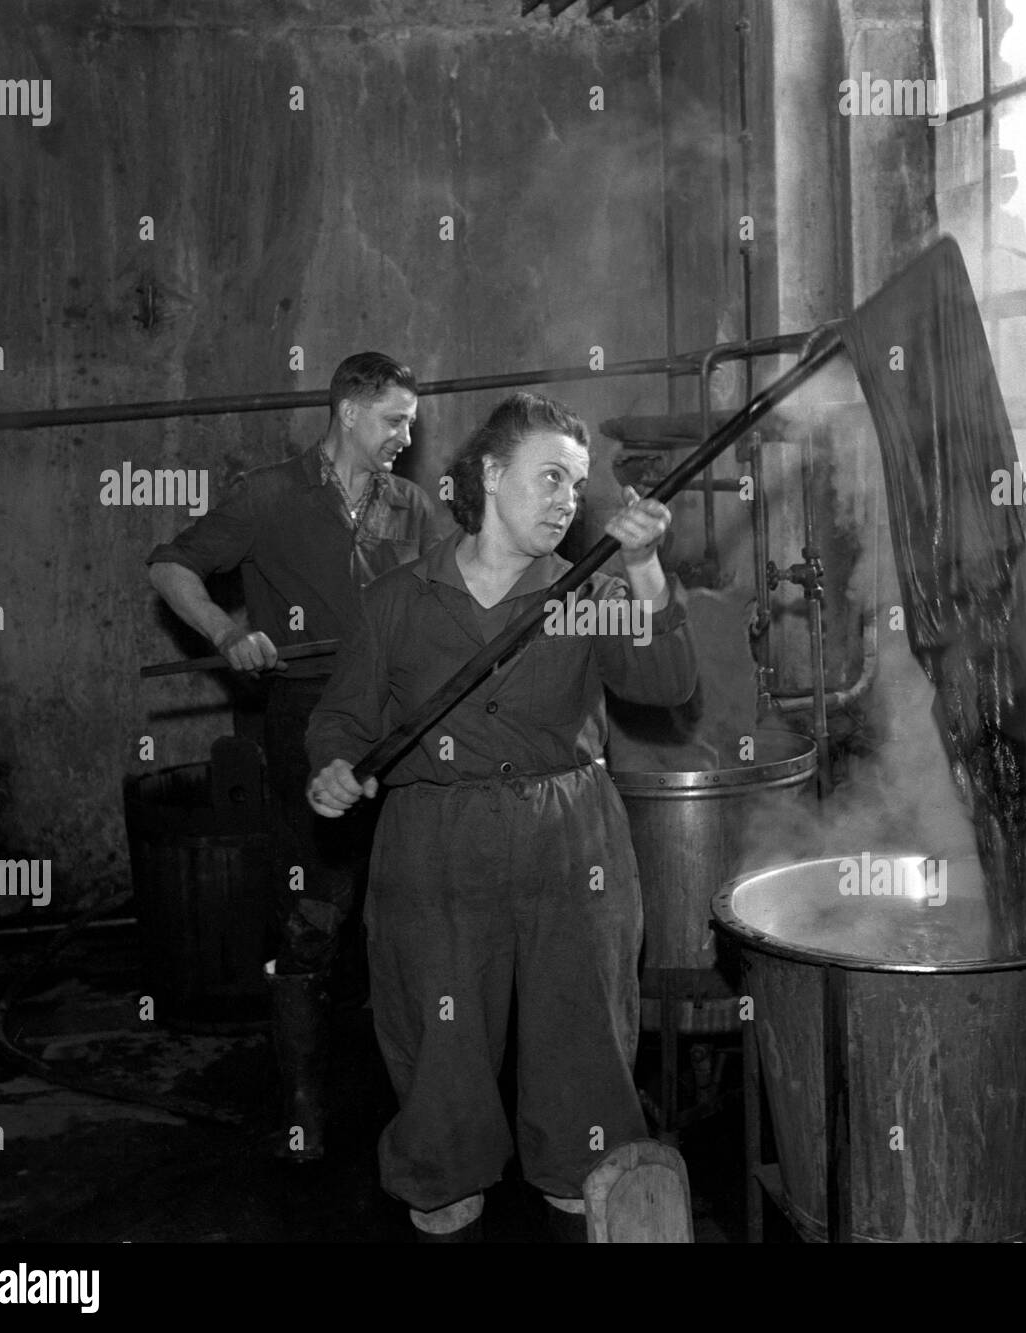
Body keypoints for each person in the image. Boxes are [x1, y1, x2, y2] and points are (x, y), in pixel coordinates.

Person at [305, 392, 697, 1242]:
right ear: (490, 474)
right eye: (549, 476)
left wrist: (644, 567)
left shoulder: (588, 592)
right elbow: (344, 716)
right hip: (435, 839)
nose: (568, 499)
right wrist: (332, 766)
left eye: (578, 483)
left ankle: (581, 1160)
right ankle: (443, 1165)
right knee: (439, 1024)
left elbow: (667, 687)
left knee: (580, 1018)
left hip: (571, 835)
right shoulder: (403, 598)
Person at [146, 351, 438, 1162]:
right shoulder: (267, 495)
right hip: (307, 723)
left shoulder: (413, 506)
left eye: (410, 421)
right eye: (394, 419)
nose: (406, 437)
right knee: (312, 917)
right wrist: (229, 632)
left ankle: (417, 1100)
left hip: (400, 732)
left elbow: (450, 594)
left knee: (411, 916)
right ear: (348, 412)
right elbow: (169, 565)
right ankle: (304, 1103)